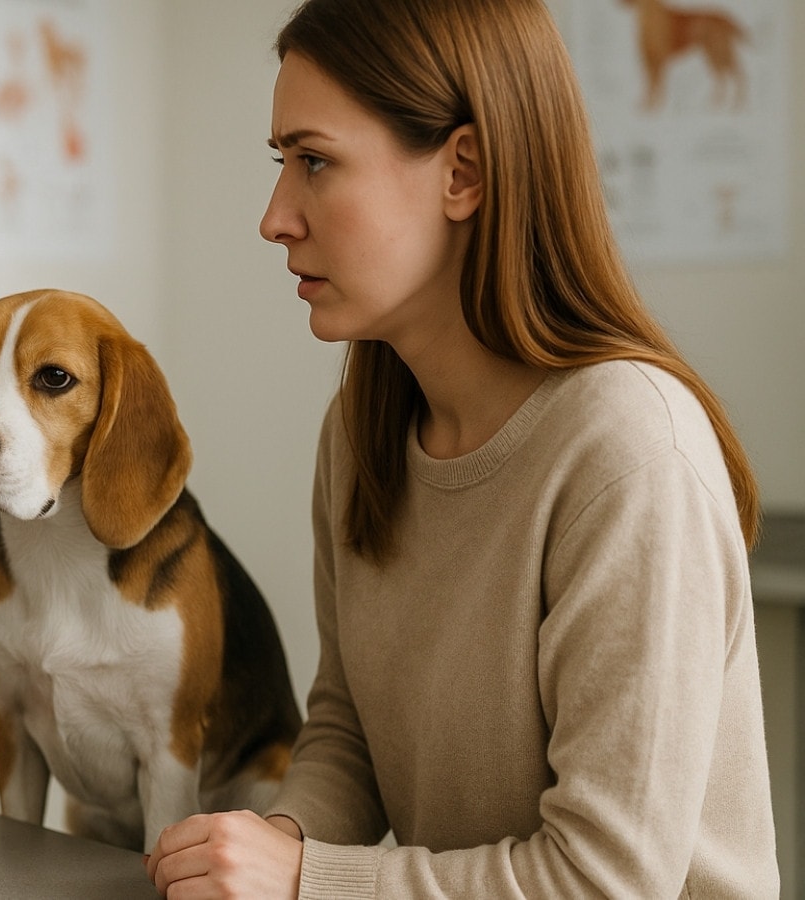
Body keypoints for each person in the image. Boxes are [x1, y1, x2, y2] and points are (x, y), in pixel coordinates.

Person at [145, 0, 778, 896]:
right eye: (280, 163)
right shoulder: (363, 429)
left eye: (314, 160)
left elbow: (606, 879)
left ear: (463, 172)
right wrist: (269, 843)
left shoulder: (631, 453)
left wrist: (306, 881)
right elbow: (349, 728)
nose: (275, 217)